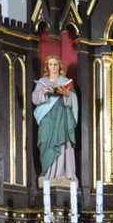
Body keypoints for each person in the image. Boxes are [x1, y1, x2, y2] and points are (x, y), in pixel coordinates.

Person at [32, 54, 77, 182]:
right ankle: (47, 173)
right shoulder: (42, 82)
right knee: (44, 141)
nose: (53, 67)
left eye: (55, 64)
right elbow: (35, 99)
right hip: (46, 116)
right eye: (50, 64)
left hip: (61, 115)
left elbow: (73, 101)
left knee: (61, 142)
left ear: (59, 66)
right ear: (47, 66)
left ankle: (61, 173)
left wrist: (67, 94)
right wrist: (43, 92)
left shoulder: (65, 81)